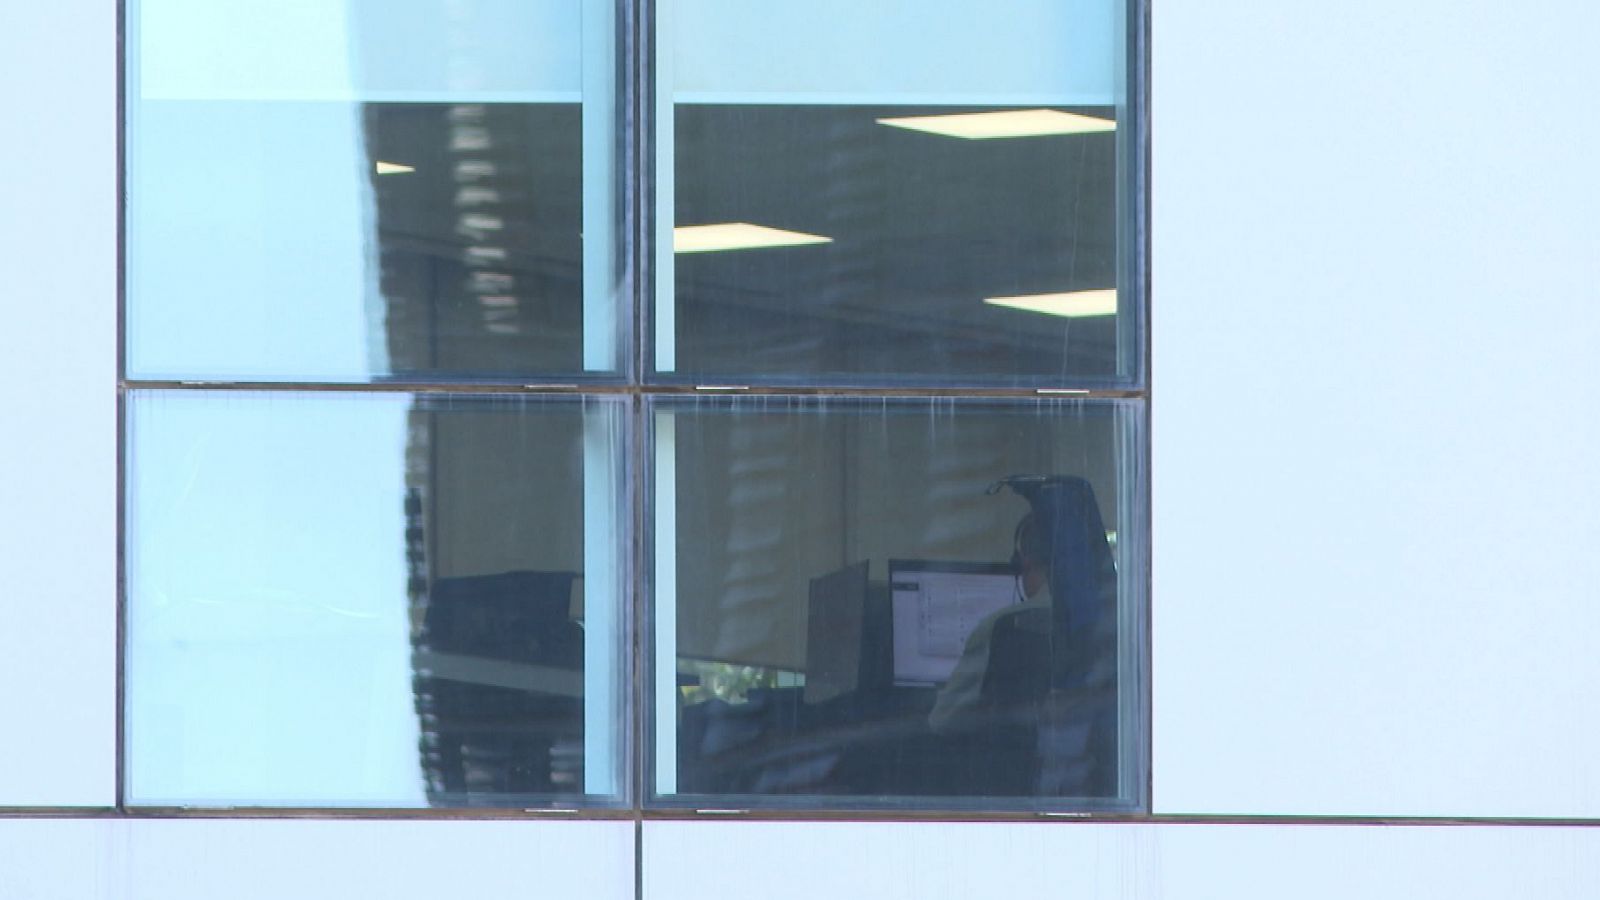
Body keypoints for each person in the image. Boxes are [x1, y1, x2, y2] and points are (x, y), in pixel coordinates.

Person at [928, 513, 1052, 733]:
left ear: (1023, 563)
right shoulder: (1107, 621)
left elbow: (942, 721)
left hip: (1013, 764)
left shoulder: (1002, 626)